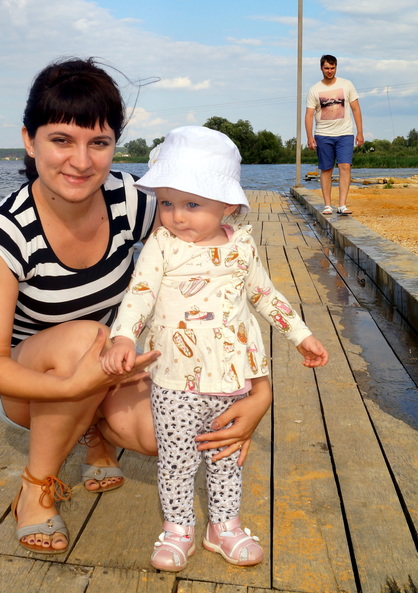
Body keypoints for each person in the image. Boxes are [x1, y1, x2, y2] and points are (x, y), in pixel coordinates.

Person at [0, 58, 274, 556]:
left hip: (108, 365)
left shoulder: (131, 199)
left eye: (99, 143)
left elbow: (216, 271)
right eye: (61, 140)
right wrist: (72, 387)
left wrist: (257, 391)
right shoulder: (4, 235)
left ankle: (97, 434)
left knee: (161, 432)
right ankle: (36, 488)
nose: (81, 161)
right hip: (21, 380)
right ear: (29, 140)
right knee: (86, 338)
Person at [101, 126, 328, 571]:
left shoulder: (241, 245)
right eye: (167, 203)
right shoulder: (162, 245)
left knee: (226, 456)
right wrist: (123, 336)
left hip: (232, 378)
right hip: (174, 380)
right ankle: (178, 528)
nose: (176, 216)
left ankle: (223, 525)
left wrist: (301, 335)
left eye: (192, 205)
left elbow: (265, 295)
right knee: (177, 460)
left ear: (227, 204)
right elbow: (140, 294)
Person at [305, 54, 364, 216]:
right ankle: (327, 205)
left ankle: (342, 205)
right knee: (326, 169)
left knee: (345, 166)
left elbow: (356, 108)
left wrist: (360, 132)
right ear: (321, 68)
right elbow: (309, 114)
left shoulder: (346, 84)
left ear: (336, 67)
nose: (329, 71)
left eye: (332, 68)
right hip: (323, 134)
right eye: (326, 68)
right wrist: (309, 136)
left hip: (345, 133)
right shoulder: (315, 89)